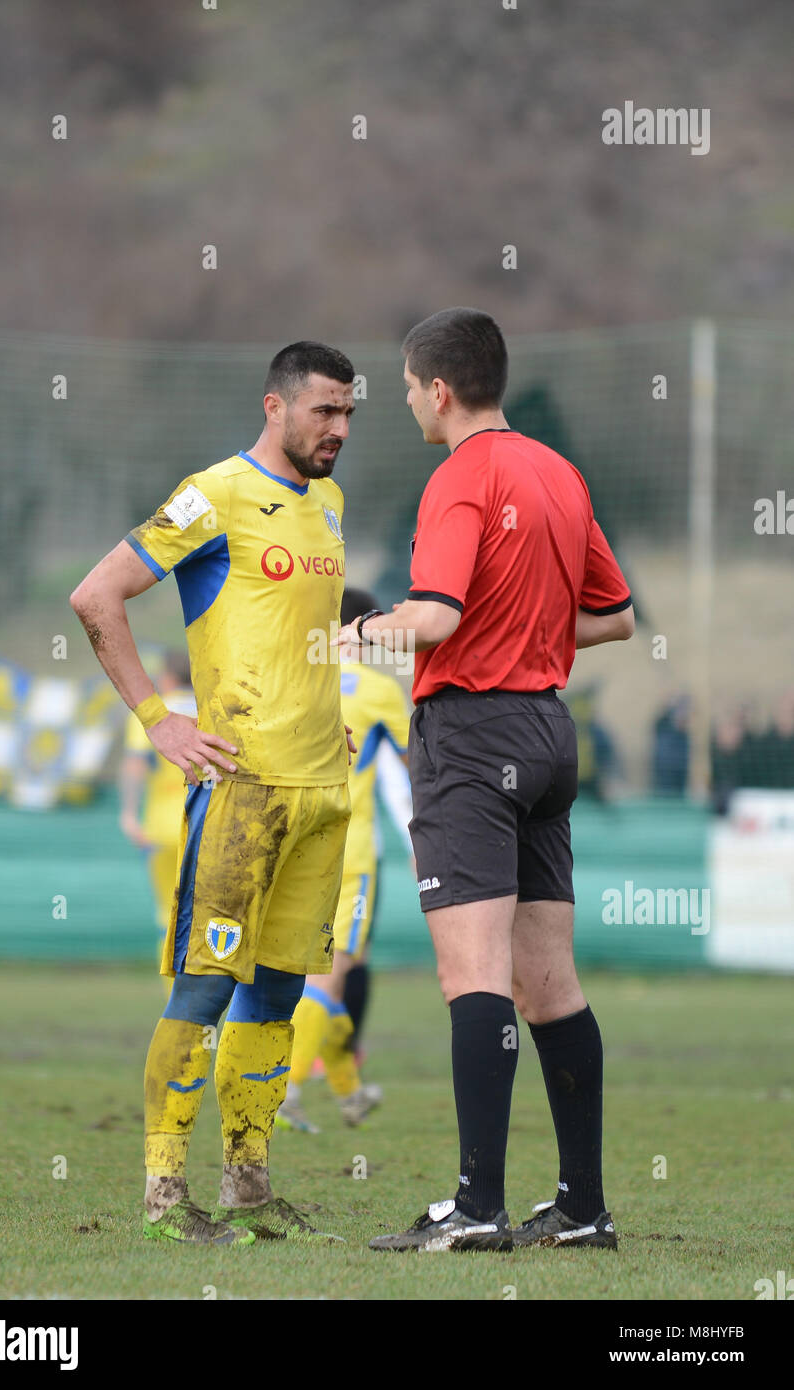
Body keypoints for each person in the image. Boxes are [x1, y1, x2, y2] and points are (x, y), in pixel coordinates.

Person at [337, 307, 634, 1253]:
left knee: (474, 978)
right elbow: (615, 617)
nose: (405, 401)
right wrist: (531, 633)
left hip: (471, 733)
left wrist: (353, 633)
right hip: (548, 728)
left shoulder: (460, 476)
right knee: (550, 984)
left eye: (406, 385)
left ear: (440, 389)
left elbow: (432, 615)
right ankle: (583, 1209)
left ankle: (474, 1210)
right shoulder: (558, 471)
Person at [71, 341, 357, 1247]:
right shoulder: (214, 494)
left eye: (349, 414)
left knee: (277, 996)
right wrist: (159, 720)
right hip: (241, 789)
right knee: (203, 991)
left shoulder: (332, 504)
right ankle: (163, 1200)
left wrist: (328, 710)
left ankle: (248, 1187)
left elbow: (302, 636)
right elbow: (96, 595)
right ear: (273, 407)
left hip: (322, 788)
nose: (339, 430)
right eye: (324, 412)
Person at [279, 586, 412, 1132]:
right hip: (350, 853)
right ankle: (282, 1092)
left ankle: (349, 1092)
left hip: (291, 843)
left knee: (331, 969)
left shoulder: (291, 678)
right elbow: (419, 768)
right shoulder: (378, 690)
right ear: (363, 625)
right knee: (330, 979)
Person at [119, 651, 196, 996]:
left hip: (162, 829)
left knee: (169, 915)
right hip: (209, 825)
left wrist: (129, 814)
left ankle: (177, 1006)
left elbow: (135, 764)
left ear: (165, 677)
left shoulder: (152, 712)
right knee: (213, 915)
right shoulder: (217, 709)